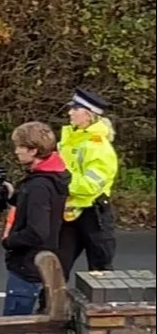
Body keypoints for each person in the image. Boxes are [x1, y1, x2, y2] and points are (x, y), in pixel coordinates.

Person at [1, 122, 70, 334]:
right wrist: (14, 197)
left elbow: (38, 231)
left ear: (33, 150)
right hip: (36, 263)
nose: (16, 151)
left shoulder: (39, 185)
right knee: (35, 326)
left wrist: (10, 241)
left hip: (27, 265)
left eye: (20, 146)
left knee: (17, 326)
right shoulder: (48, 178)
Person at [57, 88, 119, 279]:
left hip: (94, 215)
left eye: (75, 109)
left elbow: (89, 186)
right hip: (69, 214)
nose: (70, 112)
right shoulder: (70, 140)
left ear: (89, 114)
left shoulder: (98, 146)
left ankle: (101, 310)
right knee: (55, 270)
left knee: (100, 276)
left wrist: (60, 181)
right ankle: (47, 309)